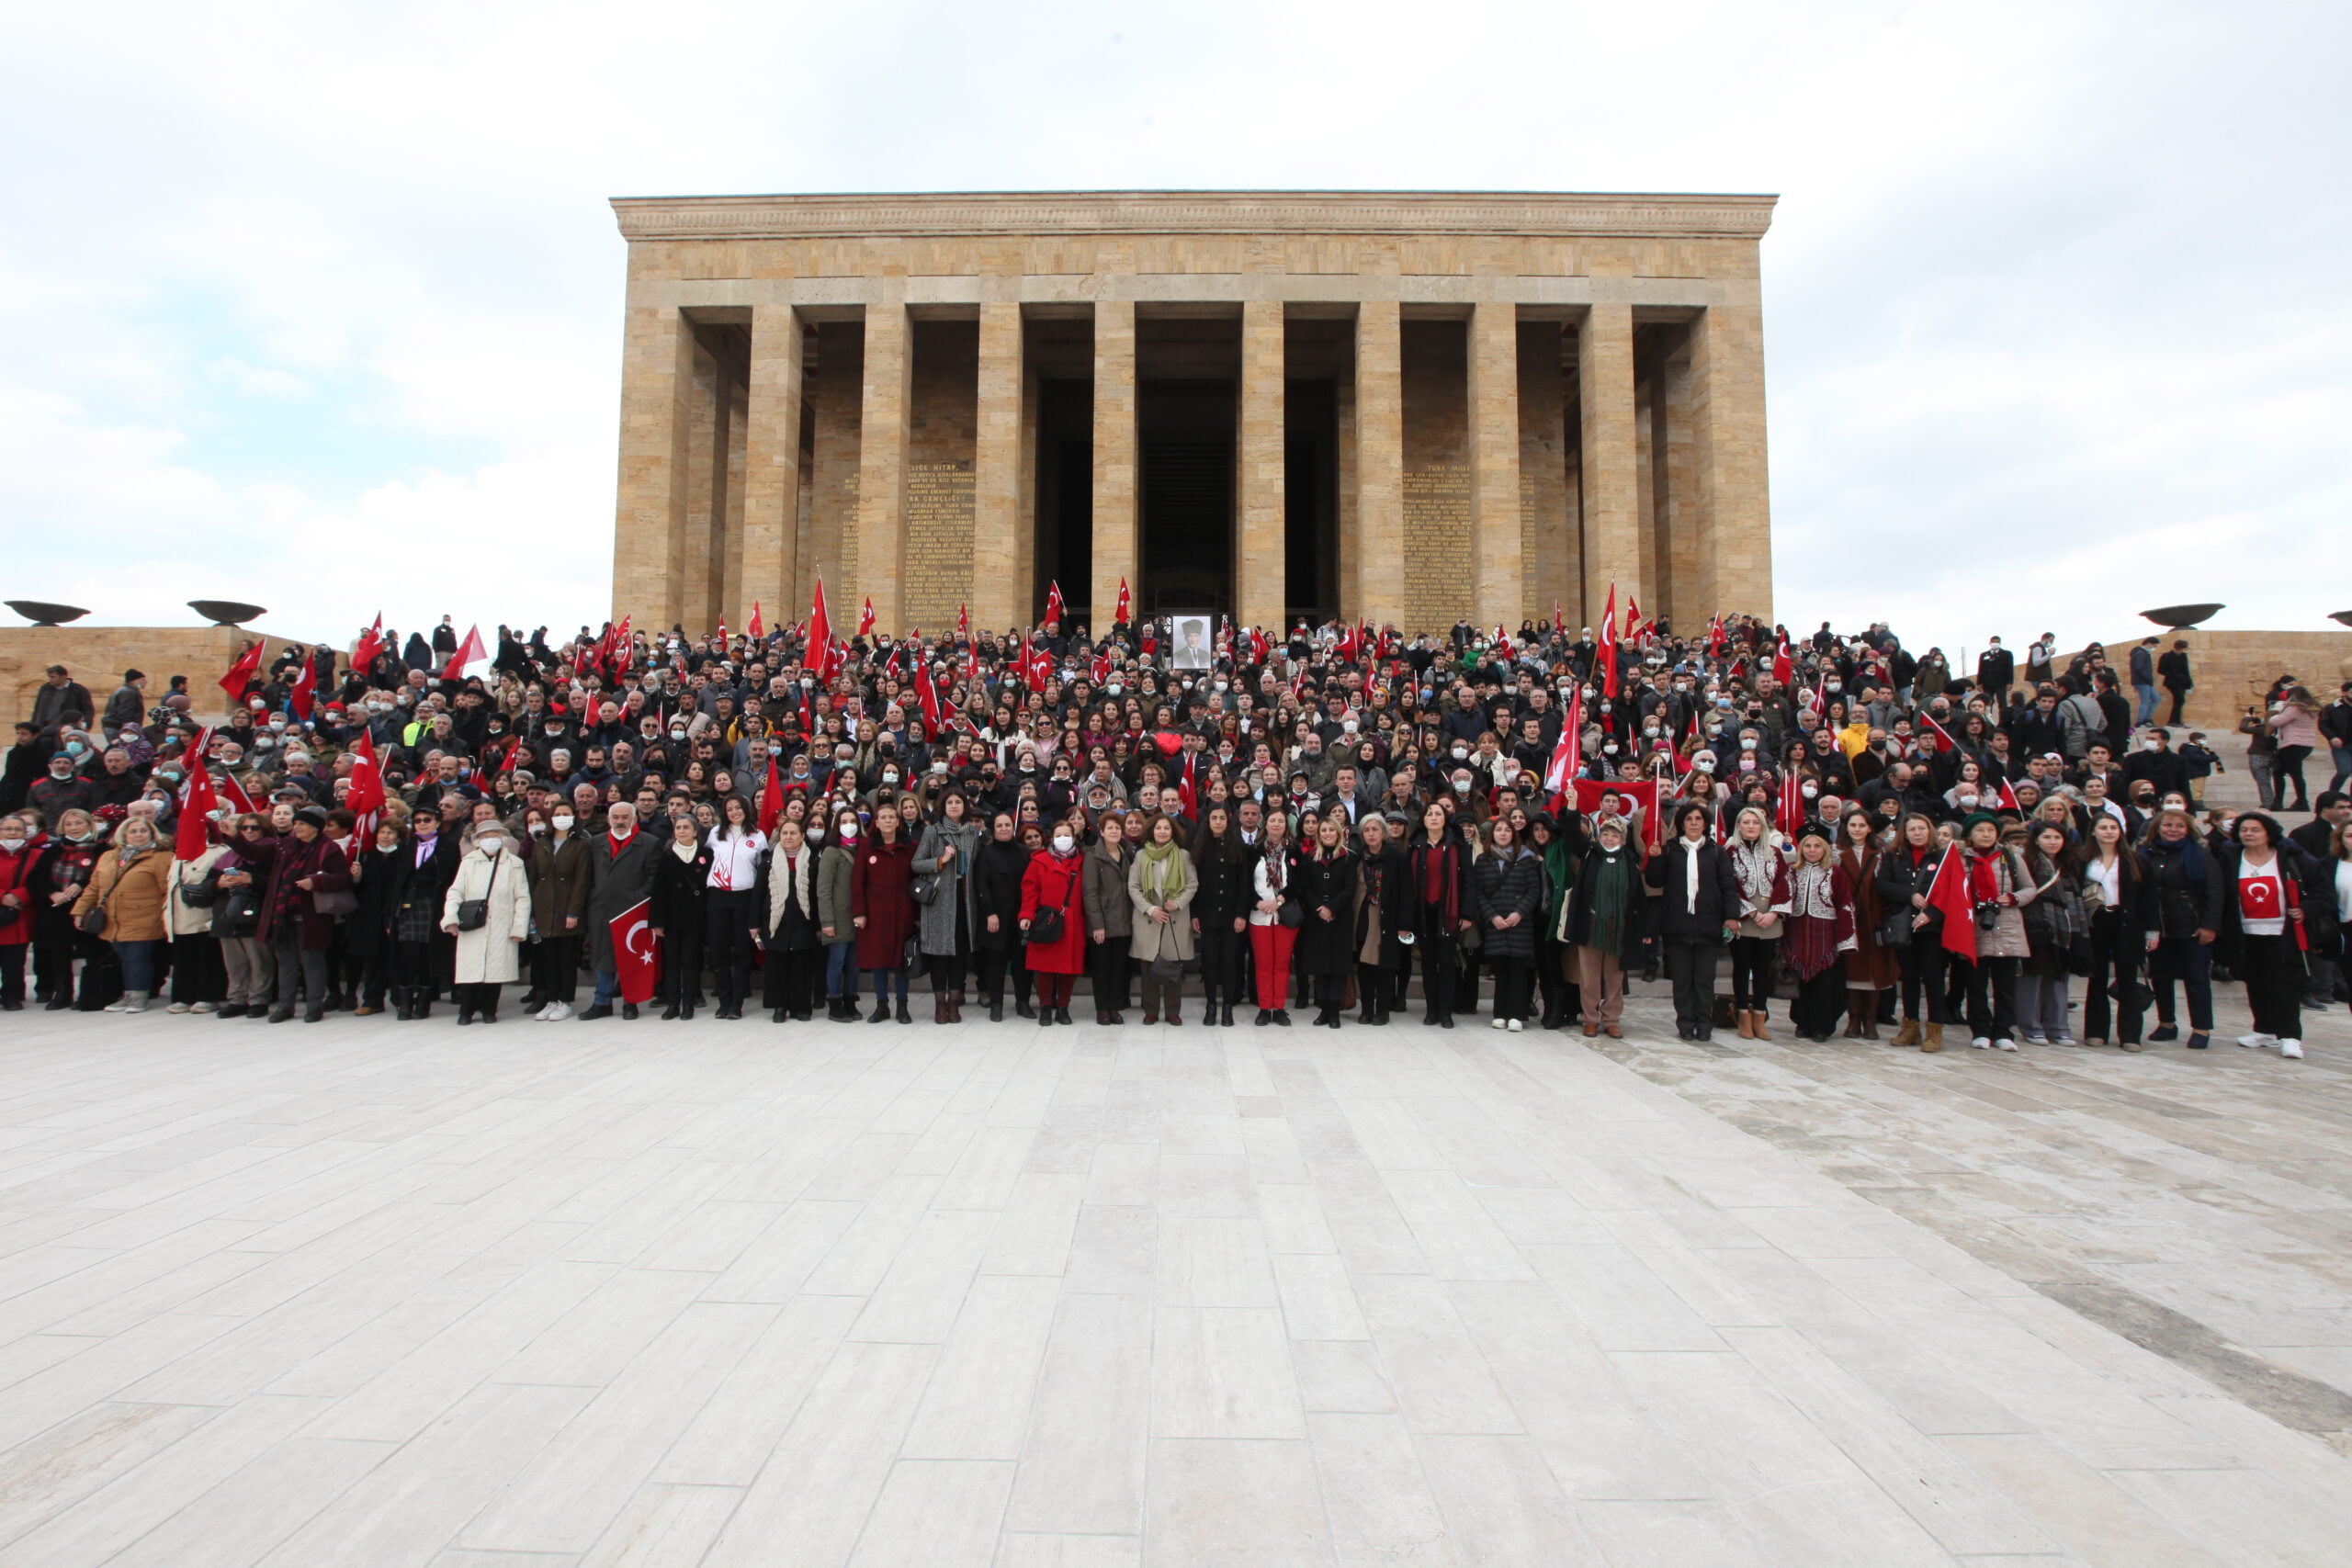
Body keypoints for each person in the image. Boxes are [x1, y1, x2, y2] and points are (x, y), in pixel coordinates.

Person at [2214, 813, 2318, 1059]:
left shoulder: (2292, 858)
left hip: (2282, 933)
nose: (2248, 834)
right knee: (2255, 983)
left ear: (2268, 833)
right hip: (2246, 933)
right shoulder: (2230, 858)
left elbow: (2319, 890)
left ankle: (2291, 1036)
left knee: (2283, 986)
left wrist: (2306, 909)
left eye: (2255, 830)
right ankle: (2264, 1030)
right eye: (2244, 830)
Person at [237, 804, 353, 1022]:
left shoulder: (328, 849)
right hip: (282, 915)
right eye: (296, 823)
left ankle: (314, 1006)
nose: (296, 827)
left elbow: (343, 878)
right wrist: (233, 836)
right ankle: (285, 1006)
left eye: (302, 824)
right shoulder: (286, 845)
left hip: (311, 916)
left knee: (312, 962)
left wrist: (316, 881)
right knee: (286, 962)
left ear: (315, 827)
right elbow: (255, 852)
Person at [1647, 801, 1743, 1041]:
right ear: (1681, 823)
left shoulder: (1717, 852)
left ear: (1705, 824)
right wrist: (1655, 859)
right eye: (1688, 819)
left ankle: (1704, 1022)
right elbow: (1655, 882)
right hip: (1677, 924)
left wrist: (1731, 916)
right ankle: (1685, 1023)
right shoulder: (1670, 850)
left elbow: (1728, 887)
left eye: (1698, 819)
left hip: (1708, 925)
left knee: (1704, 979)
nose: (1693, 823)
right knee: (1681, 979)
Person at [1950, 811, 2035, 1050]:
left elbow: (2030, 888)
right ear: (1969, 835)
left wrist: (2013, 897)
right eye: (1979, 830)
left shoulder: (2011, 857)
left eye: (1990, 830)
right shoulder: (1960, 859)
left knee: (2005, 985)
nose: (1985, 835)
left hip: (2006, 925)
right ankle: (1980, 1030)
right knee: (1976, 985)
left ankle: (2004, 1030)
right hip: (1973, 927)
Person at [71, 815, 172, 1013]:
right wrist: (80, 910)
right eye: (133, 831)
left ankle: (139, 997)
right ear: (123, 834)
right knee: (125, 956)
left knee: (138, 956)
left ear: (152, 833)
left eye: (143, 831)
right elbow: (94, 886)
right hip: (113, 917)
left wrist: (164, 916)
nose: (138, 835)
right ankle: (128, 993)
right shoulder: (109, 856)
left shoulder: (160, 857)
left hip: (145, 916)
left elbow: (166, 890)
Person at [440, 820, 529, 1024]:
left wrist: (519, 927)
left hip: (501, 923)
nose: (491, 840)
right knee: (471, 971)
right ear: (478, 840)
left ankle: (489, 1010)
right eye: (486, 836)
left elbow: (522, 897)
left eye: (495, 836)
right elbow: (456, 892)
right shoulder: (469, 862)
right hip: (473, 924)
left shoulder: (514, 863)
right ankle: (466, 1012)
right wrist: (451, 918)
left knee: (495, 972)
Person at [1875, 814, 1948, 1051]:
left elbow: (1951, 889)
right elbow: (1883, 885)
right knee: (1909, 977)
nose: (1917, 833)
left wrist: (1933, 913)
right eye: (1912, 829)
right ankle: (1910, 1027)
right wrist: (1909, 896)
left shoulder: (1943, 856)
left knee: (1934, 977)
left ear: (1930, 830)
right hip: (1904, 924)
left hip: (1932, 927)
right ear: (1904, 833)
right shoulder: (1894, 856)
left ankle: (1935, 1029)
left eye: (1921, 828)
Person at [581, 801, 660, 1021]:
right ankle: (601, 1001)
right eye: (616, 817)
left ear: (634, 819)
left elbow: (653, 878)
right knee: (601, 955)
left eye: (625, 817)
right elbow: (589, 875)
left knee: (629, 957)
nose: (620, 821)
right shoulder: (596, 843)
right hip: (601, 909)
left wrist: (638, 899)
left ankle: (630, 1002)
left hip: (632, 912)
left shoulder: (649, 843)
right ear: (609, 819)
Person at [1782, 822, 1856, 1042]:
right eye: (1808, 846)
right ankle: (1802, 1023)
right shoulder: (1793, 872)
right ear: (1801, 848)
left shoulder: (1835, 873)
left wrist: (1846, 938)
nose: (1812, 850)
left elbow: (1845, 904)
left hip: (1825, 936)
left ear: (1825, 849)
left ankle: (1821, 1026)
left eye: (1817, 846)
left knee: (1824, 983)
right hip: (1798, 933)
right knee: (1801, 981)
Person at [1470, 817, 1544, 1032]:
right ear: (1492, 834)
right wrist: (1492, 916)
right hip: (1496, 921)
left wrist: (1519, 913)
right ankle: (1500, 1012)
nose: (1503, 833)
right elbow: (1479, 893)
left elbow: (1534, 890)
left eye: (1507, 830)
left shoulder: (1525, 858)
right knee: (1501, 969)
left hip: (1519, 922)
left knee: (1518, 969)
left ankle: (1517, 1014)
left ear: (1514, 834)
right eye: (1498, 830)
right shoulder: (1484, 859)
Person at [2014, 822, 2085, 1046]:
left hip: (2065, 926)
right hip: (2036, 924)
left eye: (2057, 837)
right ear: (2036, 839)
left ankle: (2058, 1027)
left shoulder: (2070, 864)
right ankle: (2031, 1026)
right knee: (2032, 978)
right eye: (2047, 837)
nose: (2052, 842)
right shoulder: (2027, 862)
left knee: (2058, 977)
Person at [914, 791, 982, 1022]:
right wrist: (940, 860)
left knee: (959, 956)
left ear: (965, 806)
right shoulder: (933, 832)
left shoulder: (972, 832)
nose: (954, 805)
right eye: (950, 802)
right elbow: (916, 864)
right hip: (939, 902)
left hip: (964, 902)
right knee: (939, 956)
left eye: (958, 802)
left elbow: (975, 867)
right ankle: (939, 1006)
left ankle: (954, 1005)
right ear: (944, 807)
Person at [1724, 807, 1790, 1040]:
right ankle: (1743, 1015)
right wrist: (1750, 911)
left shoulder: (1774, 852)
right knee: (1742, 968)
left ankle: (1760, 1016)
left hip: (1770, 918)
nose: (1751, 826)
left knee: (1763, 971)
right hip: (1744, 918)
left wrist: (1773, 912)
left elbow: (1784, 882)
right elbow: (1729, 884)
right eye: (1746, 822)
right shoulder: (1730, 851)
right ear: (1739, 826)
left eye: (1755, 822)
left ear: (1762, 826)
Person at [852, 798, 918, 1023]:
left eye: (892, 817)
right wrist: (859, 912)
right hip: (875, 915)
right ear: (877, 823)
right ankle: (882, 1006)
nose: (888, 821)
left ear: (898, 821)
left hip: (903, 913)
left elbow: (917, 881)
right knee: (878, 961)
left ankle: (902, 1006)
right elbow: (858, 881)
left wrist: (917, 916)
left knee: (901, 962)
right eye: (883, 817)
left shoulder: (911, 846)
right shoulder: (866, 845)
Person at [1404, 802, 1469, 1028]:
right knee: (1428, 963)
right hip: (1424, 912)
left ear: (1445, 818)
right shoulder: (1414, 846)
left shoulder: (1458, 845)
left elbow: (1468, 881)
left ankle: (1446, 1012)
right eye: (1429, 814)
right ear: (1423, 819)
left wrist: (1467, 913)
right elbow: (1407, 885)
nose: (1433, 817)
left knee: (1447, 963)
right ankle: (1431, 1009)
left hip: (1448, 912)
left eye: (1438, 814)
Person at [526, 798, 591, 1020]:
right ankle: (551, 999)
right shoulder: (541, 843)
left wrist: (574, 911)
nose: (561, 817)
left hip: (567, 908)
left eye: (566, 813)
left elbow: (582, 880)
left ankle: (565, 1000)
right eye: (557, 814)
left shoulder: (580, 844)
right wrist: (532, 910)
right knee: (548, 958)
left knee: (566, 958)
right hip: (544, 907)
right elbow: (533, 876)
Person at [703, 795, 766, 1020]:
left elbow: (761, 869)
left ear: (746, 810)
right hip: (718, 897)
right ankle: (724, 1001)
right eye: (729, 809)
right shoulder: (715, 834)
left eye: (738, 807)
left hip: (744, 898)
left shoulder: (758, 836)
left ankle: (736, 1004)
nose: (734, 812)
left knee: (742, 952)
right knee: (719, 952)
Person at [1128, 812, 1195, 1024]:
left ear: (1173, 831)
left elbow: (1192, 884)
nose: (1163, 831)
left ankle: (1173, 1011)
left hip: (1174, 918)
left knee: (1173, 968)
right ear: (1151, 831)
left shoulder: (1183, 855)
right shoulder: (1141, 856)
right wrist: (1149, 909)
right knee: (1148, 970)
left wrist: (1178, 903)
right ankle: (1151, 1010)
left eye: (1167, 828)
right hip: (1149, 919)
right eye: (1158, 828)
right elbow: (1133, 887)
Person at [1295, 814, 1359, 1028]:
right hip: (1316, 918)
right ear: (1318, 834)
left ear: (1338, 833)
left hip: (1340, 917)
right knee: (1320, 965)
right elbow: (1305, 888)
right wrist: (1318, 908)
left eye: (1331, 830)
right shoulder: (1310, 857)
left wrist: (1332, 907)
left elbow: (1350, 888)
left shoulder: (1349, 857)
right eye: (1324, 830)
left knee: (1338, 966)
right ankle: (1323, 1009)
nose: (1328, 834)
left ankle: (1334, 1011)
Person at [1020, 818, 1087, 1025]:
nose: (1063, 839)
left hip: (1074, 923)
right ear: (1051, 838)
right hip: (1046, 922)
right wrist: (1026, 915)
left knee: (1070, 969)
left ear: (1074, 838)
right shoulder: (1039, 862)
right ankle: (1046, 1007)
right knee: (1045, 968)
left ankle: (1063, 1007)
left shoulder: (1084, 861)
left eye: (1067, 835)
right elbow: (1030, 892)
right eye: (1058, 835)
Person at [1189, 803, 1250, 1027]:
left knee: (1229, 960)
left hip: (1232, 914)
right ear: (1208, 820)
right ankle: (1211, 1004)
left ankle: (1227, 1006)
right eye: (1214, 818)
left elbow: (1244, 884)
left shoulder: (1238, 846)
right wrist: (1194, 914)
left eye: (1222, 818)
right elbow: (1195, 884)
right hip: (1207, 913)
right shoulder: (1201, 846)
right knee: (1210, 960)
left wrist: (1241, 914)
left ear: (1228, 820)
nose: (1218, 822)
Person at [760, 818, 823, 1021]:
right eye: (784, 833)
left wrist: (819, 924)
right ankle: (780, 1006)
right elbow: (759, 894)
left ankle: (801, 1007)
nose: (788, 837)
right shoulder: (769, 860)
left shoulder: (812, 860)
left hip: (803, 922)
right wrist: (754, 924)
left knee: (801, 968)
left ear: (802, 836)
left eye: (793, 833)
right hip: (776, 922)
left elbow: (816, 894)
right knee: (777, 966)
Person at [971, 811, 1033, 1021]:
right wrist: (990, 913)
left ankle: (1022, 1002)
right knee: (995, 964)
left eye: (1008, 824)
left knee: (1021, 964)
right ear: (994, 829)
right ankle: (996, 1004)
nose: (1004, 828)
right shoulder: (986, 853)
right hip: (995, 918)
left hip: (1021, 917)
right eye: (1000, 826)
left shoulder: (1024, 852)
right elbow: (982, 885)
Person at [161, 823, 228, 1014]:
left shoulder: (219, 852)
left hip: (204, 914)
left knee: (207, 957)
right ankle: (183, 996)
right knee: (184, 957)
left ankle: (208, 996)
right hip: (179, 915)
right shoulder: (179, 853)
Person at [650, 812, 712, 1019]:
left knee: (690, 961)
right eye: (678, 828)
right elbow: (658, 890)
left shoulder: (706, 853)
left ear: (695, 831)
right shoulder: (666, 854)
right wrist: (657, 921)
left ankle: (688, 1005)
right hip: (671, 917)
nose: (682, 831)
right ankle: (673, 1004)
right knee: (672, 962)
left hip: (695, 917)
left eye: (686, 827)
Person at [1351, 811, 1408, 1026]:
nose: (1371, 833)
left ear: (1383, 833)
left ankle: (1382, 1009)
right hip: (1362, 917)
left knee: (1384, 967)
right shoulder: (1357, 857)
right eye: (1367, 830)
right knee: (1365, 965)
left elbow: (1407, 892)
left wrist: (1404, 924)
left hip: (1387, 918)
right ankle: (1366, 1009)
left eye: (1375, 829)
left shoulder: (1397, 858)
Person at [1249, 809, 1301, 1026]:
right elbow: (1244, 882)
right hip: (1259, 915)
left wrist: (1279, 900)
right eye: (1273, 820)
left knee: (1282, 963)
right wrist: (1258, 902)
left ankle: (1278, 1007)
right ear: (1265, 824)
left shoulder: (1294, 851)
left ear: (1286, 826)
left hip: (1284, 914)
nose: (1277, 824)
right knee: (1263, 963)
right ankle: (1264, 1007)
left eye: (1281, 821)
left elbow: (1299, 882)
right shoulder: (1253, 851)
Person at [817, 807, 863, 1020]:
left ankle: (850, 1001)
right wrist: (827, 920)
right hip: (837, 917)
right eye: (843, 821)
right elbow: (823, 889)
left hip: (858, 915)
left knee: (854, 964)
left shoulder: (862, 849)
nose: (849, 825)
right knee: (837, 961)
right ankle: (834, 1004)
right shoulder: (831, 851)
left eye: (852, 821)